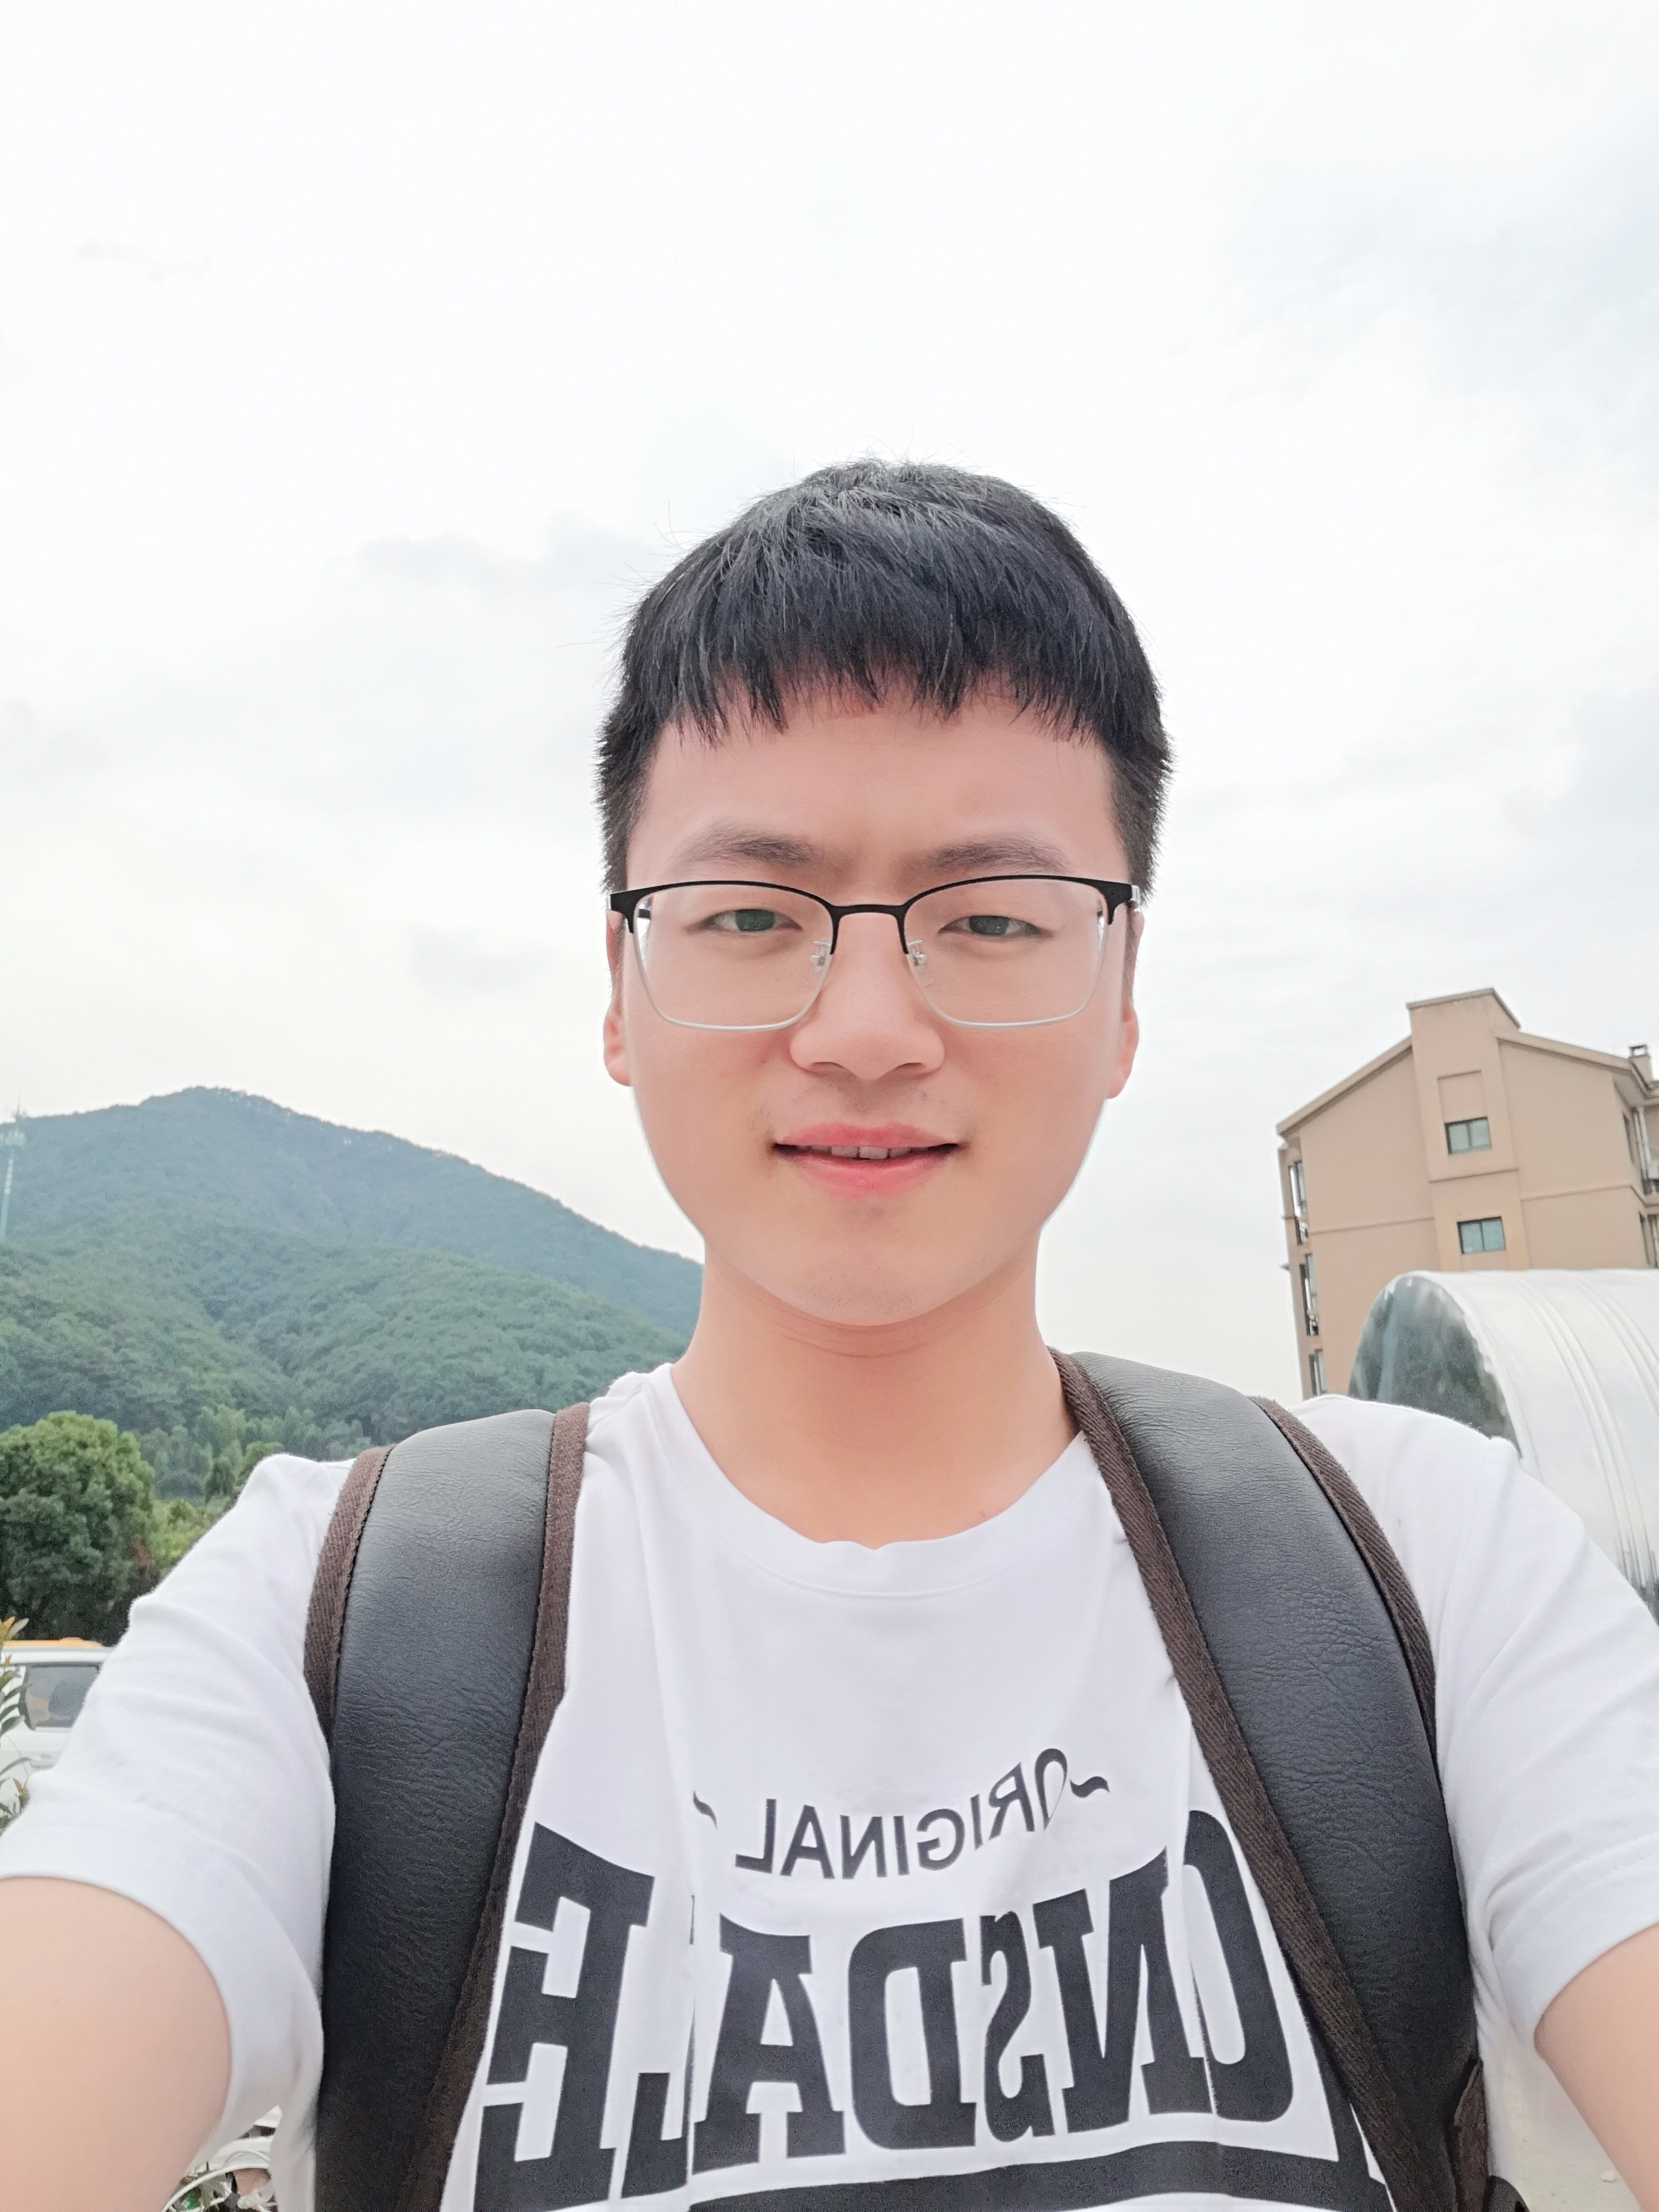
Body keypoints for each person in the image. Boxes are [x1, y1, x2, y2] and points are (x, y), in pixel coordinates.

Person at [3, 460, 1657, 2212]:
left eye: (993, 917)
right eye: (749, 917)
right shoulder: (323, 1615)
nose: (867, 1028)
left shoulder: (1425, 1565)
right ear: (622, 990)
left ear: (1123, 995)